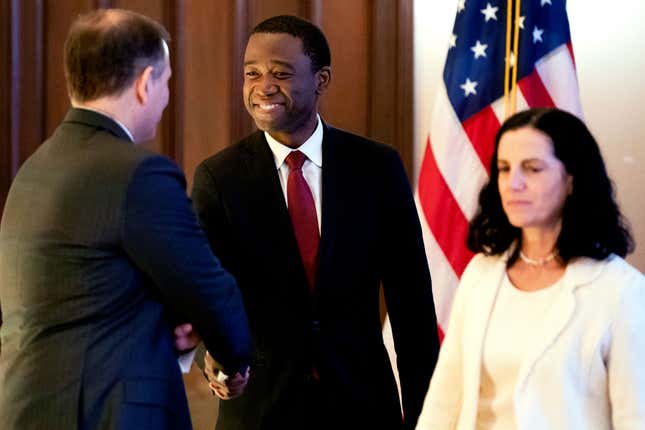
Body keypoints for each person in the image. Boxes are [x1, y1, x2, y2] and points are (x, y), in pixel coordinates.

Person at [0, 9, 252, 430]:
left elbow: (89, 289)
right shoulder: (138, 174)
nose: (167, 96)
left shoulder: (35, 170)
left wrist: (171, 322)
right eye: (167, 82)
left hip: (30, 406)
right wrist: (234, 361)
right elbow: (207, 289)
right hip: (107, 413)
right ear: (143, 83)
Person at [191, 14, 440, 430]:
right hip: (260, 411)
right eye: (251, 74)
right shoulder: (219, 178)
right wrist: (215, 362)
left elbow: (411, 304)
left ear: (321, 79)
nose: (263, 87)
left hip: (362, 407)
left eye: (281, 73)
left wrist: (424, 417)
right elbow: (201, 291)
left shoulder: (376, 168)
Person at [416, 107, 645, 430]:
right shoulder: (481, 273)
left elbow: (635, 418)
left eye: (532, 168)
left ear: (571, 179)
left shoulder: (621, 290)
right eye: (504, 169)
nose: (513, 183)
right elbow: (444, 400)